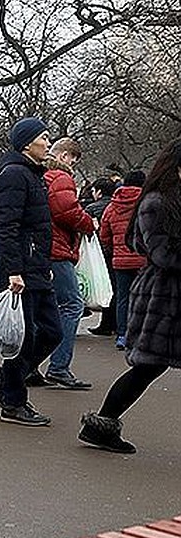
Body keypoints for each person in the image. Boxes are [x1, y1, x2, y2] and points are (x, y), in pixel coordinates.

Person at [79, 140, 181, 453]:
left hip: (167, 296)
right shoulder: (157, 202)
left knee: (149, 366)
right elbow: (162, 253)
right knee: (148, 366)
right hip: (164, 298)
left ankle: (102, 425)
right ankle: (102, 425)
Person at [0, 117, 63, 426]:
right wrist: (14, 271)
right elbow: (8, 227)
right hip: (20, 272)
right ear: (27, 143)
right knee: (23, 339)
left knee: (53, 332)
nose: (48, 143)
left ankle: (3, 379)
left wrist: (43, 265)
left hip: (36, 268)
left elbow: (37, 228)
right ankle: (14, 403)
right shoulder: (14, 175)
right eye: (44, 137)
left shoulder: (33, 175)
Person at [41, 137, 96, 389]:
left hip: (43, 248)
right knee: (72, 305)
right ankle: (59, 366)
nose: (73, 163)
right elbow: (67, 212)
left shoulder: (42, 175)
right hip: (59, 250)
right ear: (64, 156)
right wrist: (88, 223)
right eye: (73, 158)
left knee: (45, 309)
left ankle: (28, 365)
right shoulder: (62, 178)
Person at [98, 170, 146, 351]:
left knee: (122, 298)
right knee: (142, 298)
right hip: (143, 259)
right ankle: (140, 334)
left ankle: (122, 334)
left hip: (120, 260)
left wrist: (114, 249)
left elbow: (104, 235)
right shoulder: (146, 203)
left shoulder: (112, 206)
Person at [85, 177, 119, 336]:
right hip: (119, 252)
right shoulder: (117, 206)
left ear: (98, 192)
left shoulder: (92, 209)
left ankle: (105, 324)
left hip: (99, 253)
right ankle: (117, 324)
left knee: (106, 287)